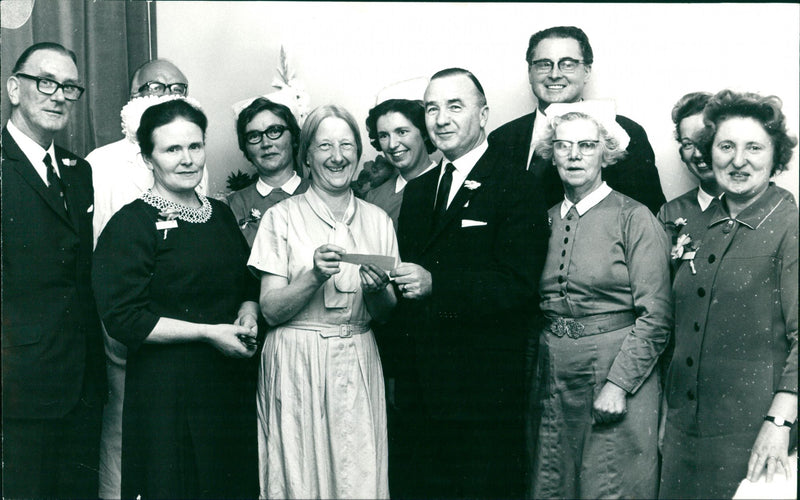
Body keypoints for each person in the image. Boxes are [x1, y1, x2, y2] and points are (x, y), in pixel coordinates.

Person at [390, 68, 548, 499]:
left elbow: (518, 283)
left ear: (484, 115)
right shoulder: (419, 191)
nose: (440, 119)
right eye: (431, 108)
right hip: (421, 386)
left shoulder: (517, 184)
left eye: (454, 106)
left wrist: (436, 283)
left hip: (483, 388)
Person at [92, 99, 260, 499]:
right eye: (171, 150)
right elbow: (124, 318)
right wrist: (208, 333)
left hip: (227, 387)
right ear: (148, 158)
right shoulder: (131, 224)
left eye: (194, 146)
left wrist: (248, 310)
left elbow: (247, 282)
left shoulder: (219, 215)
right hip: (166, 395)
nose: (187, 160)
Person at [248, 104, 398, 499]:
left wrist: (378, 289)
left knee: (359, 473)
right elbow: (270, 310)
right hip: (297, 360)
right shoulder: (280, 218)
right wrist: (313, 275)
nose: (337, 156)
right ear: (308, 157)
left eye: (347, 145)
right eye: (325, 145)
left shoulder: (378, 220)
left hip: (358, 357)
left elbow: (386, 314)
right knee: (299, 473)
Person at [660, 90, 798, 499]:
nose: (738, 161)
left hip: (755, 434)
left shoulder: (791, 227)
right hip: (685, 433)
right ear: (709, 153)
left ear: (776, 156)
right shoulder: (697, 225)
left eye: (754, 147)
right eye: (726, 146)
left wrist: (779, 426)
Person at [529, 110, 671, 498]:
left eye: (587, 145)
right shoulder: (540, 220)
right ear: (551, 154)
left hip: (615, 369)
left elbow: (656, 316)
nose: (574, 155)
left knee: (611, 484)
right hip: (553, 373)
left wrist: (618, 385)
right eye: (563, 146)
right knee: (552, 480)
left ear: (605, 154)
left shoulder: (634, 217)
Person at [85, 57, 208, 500]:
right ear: (132, 97)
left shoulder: (190, 159)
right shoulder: (100, 163)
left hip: (182, 331)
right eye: (154, 88)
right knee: (123, 431)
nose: (167, 94)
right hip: (123, 320)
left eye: (177, 87)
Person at [1, 42, 106, 499]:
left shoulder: (77, 171)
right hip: (16, 386)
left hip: (80, 381)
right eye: (46, 82)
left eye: (70, 86)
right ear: (14, 88)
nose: (59, 95)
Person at [488, 26, 666, 213]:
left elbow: (648, 213)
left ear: (587, 71)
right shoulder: (501, 139)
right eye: (544, 64)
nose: (554, 74)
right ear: (530, 72)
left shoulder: (625, 133)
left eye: (568, 64)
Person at [227, 97, 309, 246]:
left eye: (274, 131)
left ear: (294, 137)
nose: (266, 143)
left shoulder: (320, 193)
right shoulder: (232, 206)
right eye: (254, 136)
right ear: (245, 147)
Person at [657, 92, 720, 243]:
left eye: (705, 140)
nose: (697, 154)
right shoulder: (669, 213)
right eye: (688, 144)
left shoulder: (764, 203)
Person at [364, 98, 437, 228]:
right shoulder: (374, 198)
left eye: (402, 132)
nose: (392, 145)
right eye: (384, 136)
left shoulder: (446, 185)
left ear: (424, 133)